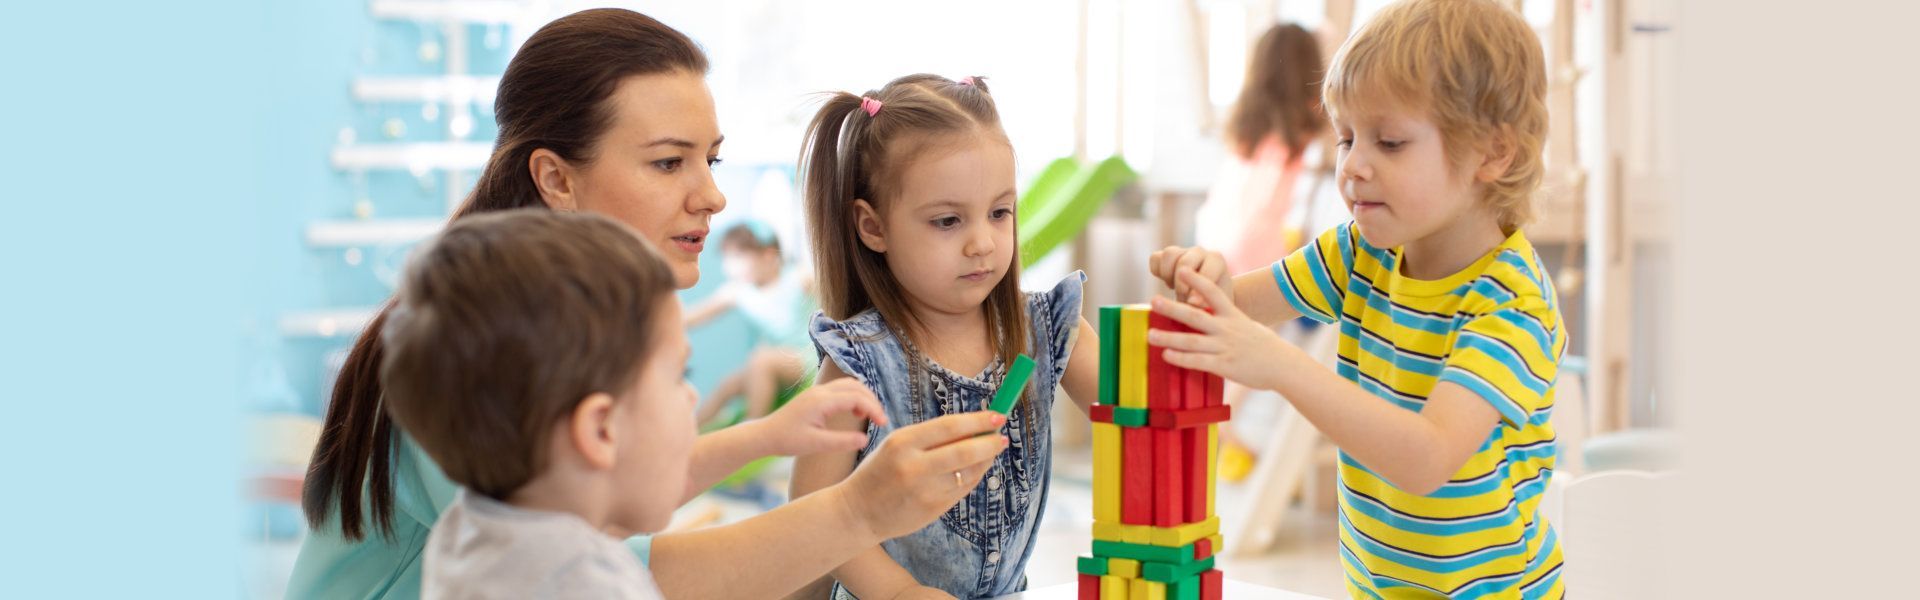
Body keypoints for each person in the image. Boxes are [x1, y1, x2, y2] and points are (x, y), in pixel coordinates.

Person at [289, 10, 1007, 600]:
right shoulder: (476, 348)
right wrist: (859, 510)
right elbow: (633, 576)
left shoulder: (550, 321)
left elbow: (595, 482)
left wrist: (763, 437)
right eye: (669, 162)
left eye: (711, 160)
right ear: (555, 178)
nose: (712, 196)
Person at [1147, 0, 1566, 596]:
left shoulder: (1511, 303)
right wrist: (1206, 279)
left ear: (1493, 153)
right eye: (1346, 138)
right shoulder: (1360, 251)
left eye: (1389, 142)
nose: (1353, 167)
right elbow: (1235, 304)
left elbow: (1426, 458)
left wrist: (1278, 366)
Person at [787, 74, 1101, 600]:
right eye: (948, 220)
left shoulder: (1046, 330)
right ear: (873, 227)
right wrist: (895, 591)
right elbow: (811, 513)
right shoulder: (858, 361)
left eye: (1000, 212)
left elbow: (1142, 408)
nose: (982, 242)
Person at [1193, 22, 1333, 479]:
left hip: (1220, 241)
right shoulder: (1309, 135)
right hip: (1268, 251)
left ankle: (1226, 428)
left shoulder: (1247, 131)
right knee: (1268, 345)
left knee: (1235, 349)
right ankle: (1230, 430)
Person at [684, 220, 819, 428]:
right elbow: (694, 316)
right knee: (728, 385)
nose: (730, 267)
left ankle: (754, 426)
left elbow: (835, 293)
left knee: (761, 358)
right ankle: (689, 430)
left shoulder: (797, 279)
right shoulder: (739, 291)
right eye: (726, 258)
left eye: (738, 256)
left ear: (768, 255)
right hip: (775, 361)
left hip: (807, 358)